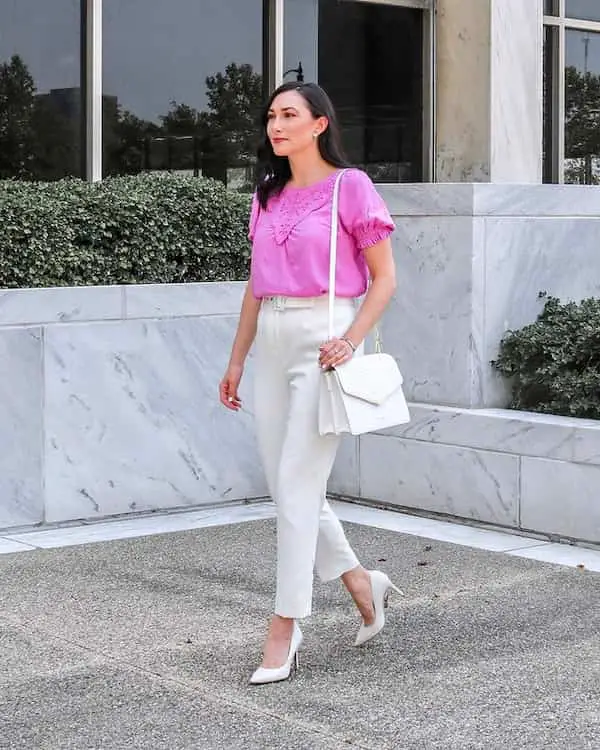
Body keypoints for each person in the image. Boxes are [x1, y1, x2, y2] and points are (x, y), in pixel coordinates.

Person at [219, 81, 401, 685]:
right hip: (270, 340)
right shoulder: (266, 194)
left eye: (289, 114)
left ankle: (285, 624)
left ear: (320, 124)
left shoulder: (352, 187)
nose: (276, 124)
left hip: (324, 339)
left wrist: (350, 339)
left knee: (297, 487)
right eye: (271, 115)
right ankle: (360, 582)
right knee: (288, 486)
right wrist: (237, 358)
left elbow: (384, 279)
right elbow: (255, 284)